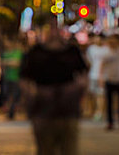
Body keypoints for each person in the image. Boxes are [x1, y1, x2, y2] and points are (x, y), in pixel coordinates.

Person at [20, 23, 88, 155]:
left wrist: (78, 91)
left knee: (69, 147)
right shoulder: (36, 52)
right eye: (50, 29)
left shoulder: (72, 52)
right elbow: (25, 79)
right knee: (45, 148)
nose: (54, 33)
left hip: (67, 107)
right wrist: (31, 96)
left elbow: (83, 75)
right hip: (43, 106)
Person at [99, 35, 119, 130]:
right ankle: (110, 122)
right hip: (109, 79)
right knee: (109, 102)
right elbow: (102, 65)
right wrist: (101, 77)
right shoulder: (105, 52)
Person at [85, 34, 108, 120]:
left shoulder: (106, 49)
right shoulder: (91, 49)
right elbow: (88, 62)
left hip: (103, 76)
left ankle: (99, 112)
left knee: (101, 95)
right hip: (92, 75)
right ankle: (92, 110)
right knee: (92, 94)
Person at [1, 38, 23, 119]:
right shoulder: (6, 53)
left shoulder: (18, 53)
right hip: (7, 78)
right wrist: (10, 62)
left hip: (15, 78)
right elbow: (2, 63)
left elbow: (17, 63)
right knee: (6, 95)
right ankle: (9, 111)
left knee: (14, 96)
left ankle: (11, 113)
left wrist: (7, 62)